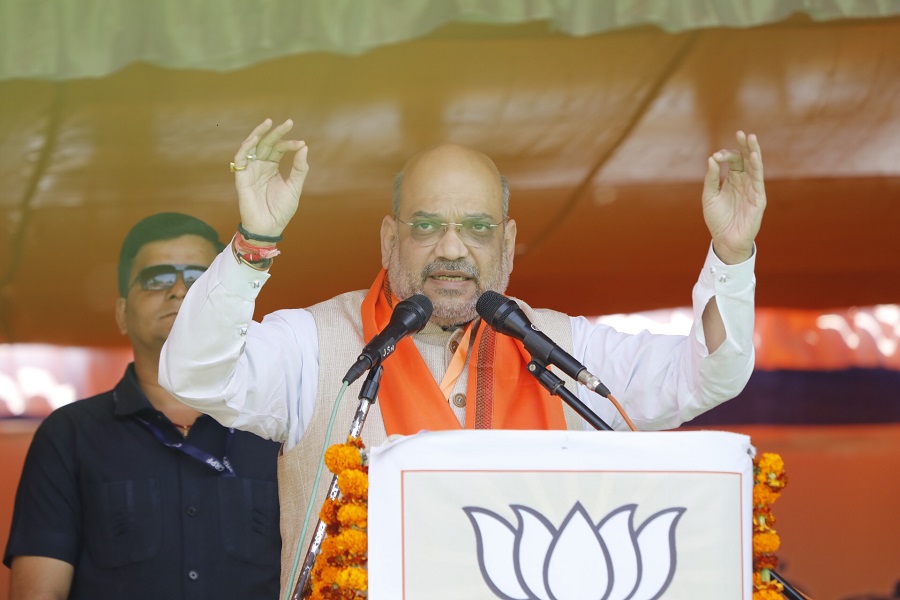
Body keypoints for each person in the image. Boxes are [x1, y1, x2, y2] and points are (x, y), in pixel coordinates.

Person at [159, 118, 766, 595]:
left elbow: (708, 371)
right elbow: (194, 375)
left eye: (477, 228)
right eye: (427, 226)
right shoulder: (315, 343)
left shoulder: (558, 346)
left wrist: (732, 258)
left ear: (506, 244)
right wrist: (253, 245)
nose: (452, 249)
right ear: (390, 239)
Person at [4, 213, 283, 600]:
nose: (180, 290)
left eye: (200, 278)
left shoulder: (277, 425)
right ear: (121, 313)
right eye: (158, 279)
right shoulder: (69, 435)